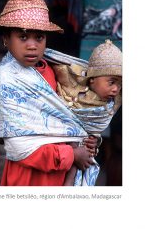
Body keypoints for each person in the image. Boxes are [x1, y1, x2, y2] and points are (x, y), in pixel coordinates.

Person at [0, 0, 97, 186]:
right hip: (31, 174)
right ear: (6, 38)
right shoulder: (7, 81)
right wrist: (71, 155)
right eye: (22, 36)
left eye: (39, 37)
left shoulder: (54, 70)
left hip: (62, 171)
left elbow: (66, 119)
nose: (32, 45)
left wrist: (84, 142)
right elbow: (19, 146)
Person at [51, 39, 122, 185]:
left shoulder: (108, 105)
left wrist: (94, 140)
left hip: (83, 151)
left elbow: (95, 129)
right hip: (59, 146)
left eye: (120, 85)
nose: (116, 89)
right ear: (92, 80)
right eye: (111, 82)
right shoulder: (72, 86)